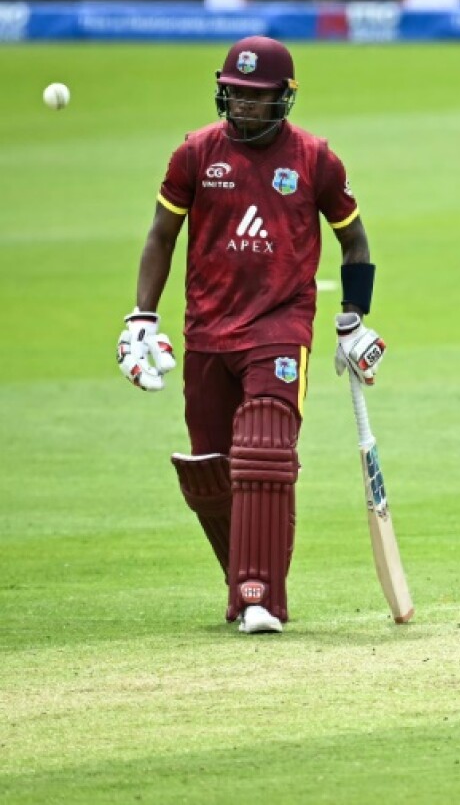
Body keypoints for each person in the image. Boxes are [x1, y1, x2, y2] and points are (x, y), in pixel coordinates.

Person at [116, 36, 387, 634]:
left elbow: (355, 241)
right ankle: (245, 579)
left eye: (255, 98)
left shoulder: (315, 159)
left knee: (263, 452)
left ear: (283, 99)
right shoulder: (194, 154)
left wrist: (353, 317)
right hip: (207, 330)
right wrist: (141, 317)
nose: (241, 106)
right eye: (234, 95)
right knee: (213, 469)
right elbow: (161, 237)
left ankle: (260, 596)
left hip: (279, 326)